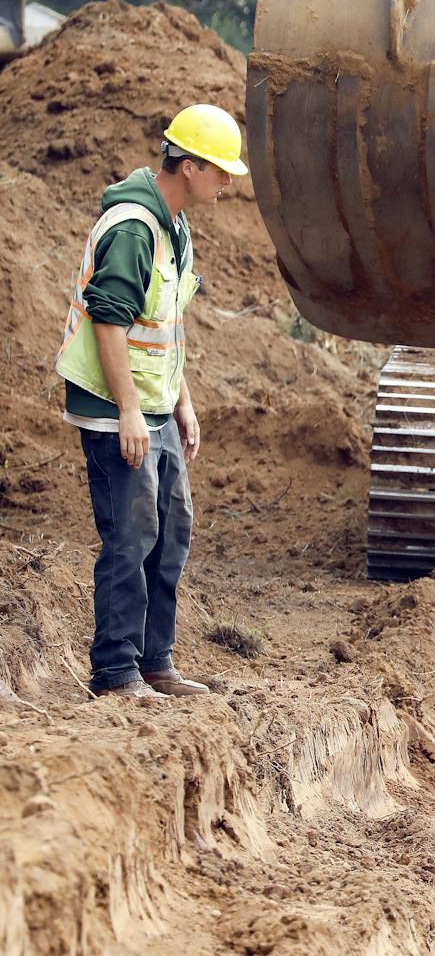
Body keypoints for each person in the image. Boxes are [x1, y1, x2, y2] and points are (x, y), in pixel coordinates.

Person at [55, 103, 248, 699]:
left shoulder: (174, 226)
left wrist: (181, 400)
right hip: (119, 408)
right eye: (219, 170)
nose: (225, 182)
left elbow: (163, 321)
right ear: (187, 166)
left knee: (170, 530)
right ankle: (116, 670)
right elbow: (110, 323)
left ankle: (155, 661)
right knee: (131, 534)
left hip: (155, 403)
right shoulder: (134, 227)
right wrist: (131, 411)